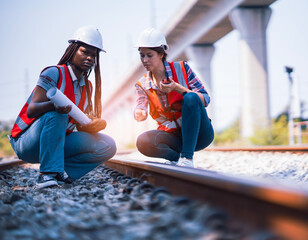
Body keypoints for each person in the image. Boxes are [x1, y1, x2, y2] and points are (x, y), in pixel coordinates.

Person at [9, 26, 117, 188]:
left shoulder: (87, 86)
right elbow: (32, 109)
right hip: (27, 142)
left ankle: (62, 174)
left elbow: (79, 125)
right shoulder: (54, 73)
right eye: (84, 52)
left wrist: (95, 124)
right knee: (57, 114)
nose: (89, 58)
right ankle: (47, 175)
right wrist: (55, 106)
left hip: (56, 142)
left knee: (108, 145)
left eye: (93, 55)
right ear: (72, 50)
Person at [133, 28, 214, 168]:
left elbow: (205, 99)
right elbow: (141, 104)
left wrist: (177, 88)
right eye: (142, 55)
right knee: (142, 141)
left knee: (191, 98)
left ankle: (187, 159)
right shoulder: (142, 84)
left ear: (161, 54)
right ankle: (176, 158)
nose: (144, 60)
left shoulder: (182, 68)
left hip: (200, 135)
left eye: (149, 55)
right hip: (173, 138)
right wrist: (139, 112)